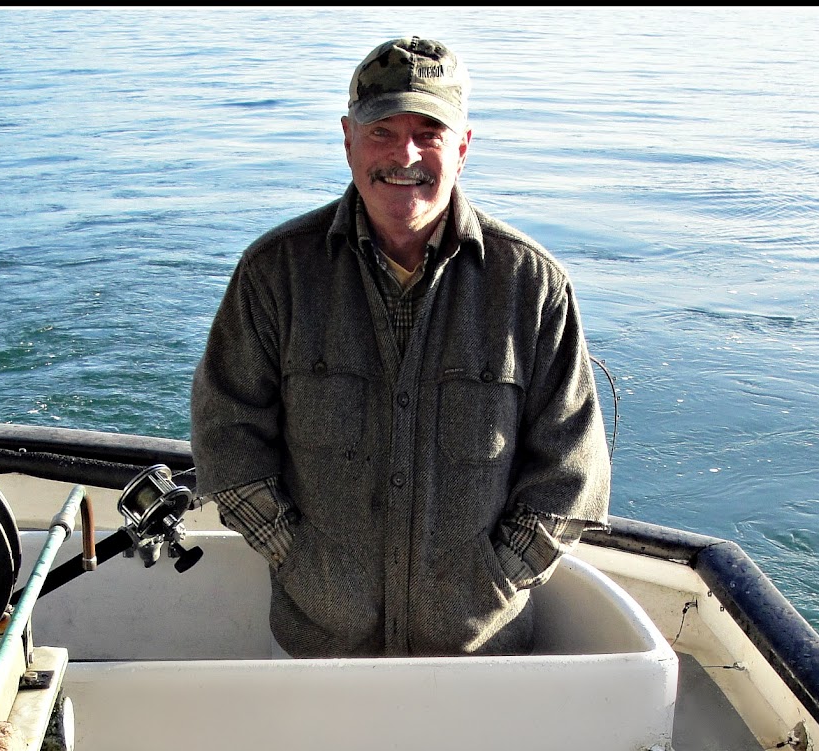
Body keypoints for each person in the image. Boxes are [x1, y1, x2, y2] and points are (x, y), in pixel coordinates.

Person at [191, 35, 610, 657]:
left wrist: (491, 585)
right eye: (382, 130)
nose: (404, 154)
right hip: (320, 649)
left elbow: (572, 474)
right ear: (347, 139)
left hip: (481, 659)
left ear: (463, 147)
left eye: (430, 132)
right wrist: (297, 558)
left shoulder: (531, 285)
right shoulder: (275, 273)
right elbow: (227, 433)